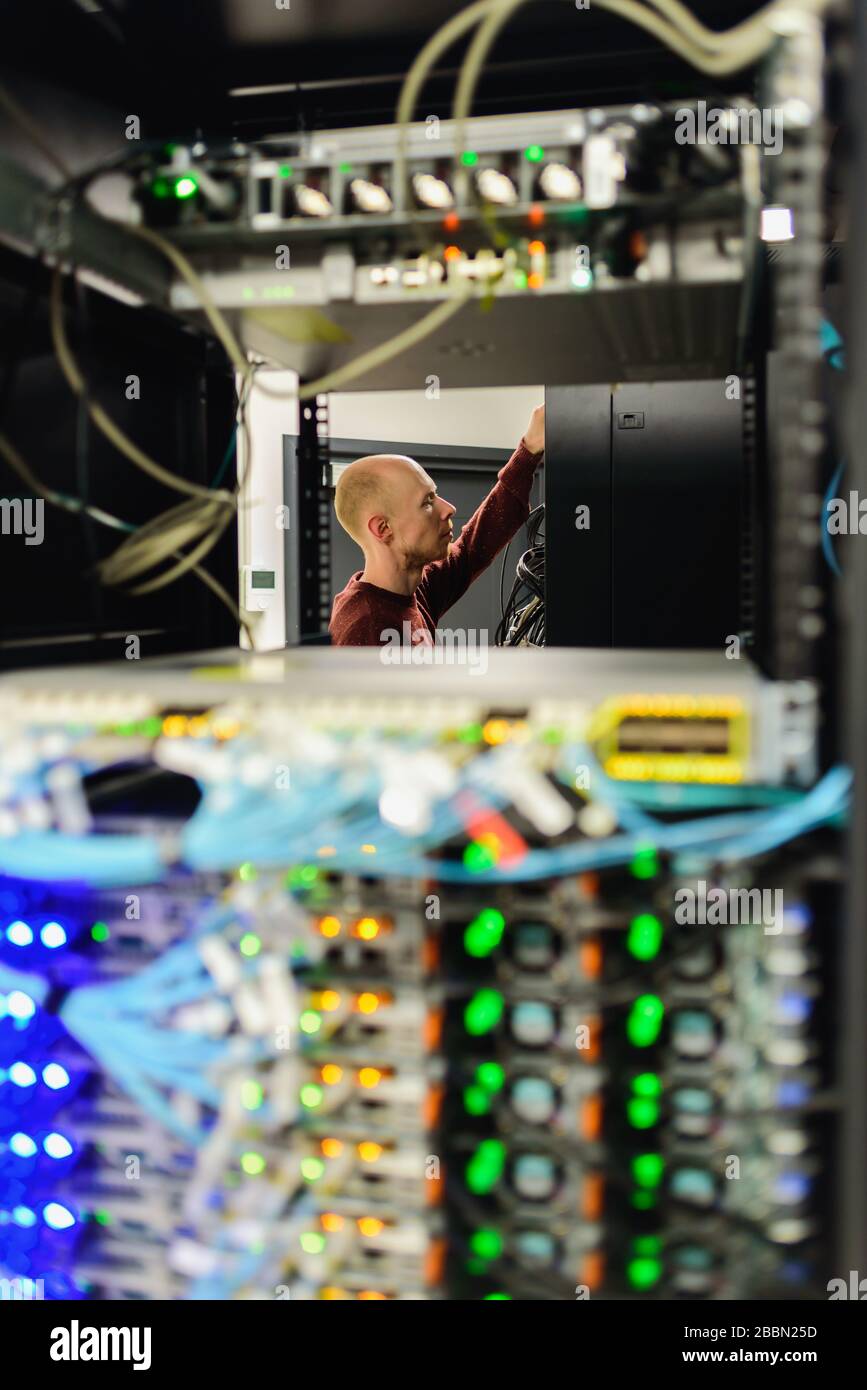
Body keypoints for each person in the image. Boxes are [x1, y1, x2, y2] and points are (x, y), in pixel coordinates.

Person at [329, 404, 545, 646]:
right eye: (427, 502)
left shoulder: (412, 586)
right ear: (383, 529)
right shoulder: (367, 628)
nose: (449, 508)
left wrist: (529, 450)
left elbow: (473, 549)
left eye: (436, 494)